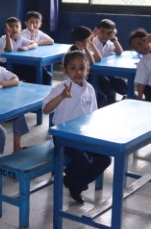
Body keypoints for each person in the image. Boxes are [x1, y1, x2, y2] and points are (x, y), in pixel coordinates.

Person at [43, 50, 111, 204]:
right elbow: (46, 109)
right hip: (63, 137)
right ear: (65, 70)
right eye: (73, 68)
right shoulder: (60, 88)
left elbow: (93, 114)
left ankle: (74, 182)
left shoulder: (90, 89)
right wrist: (61, 96)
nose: (78, 72)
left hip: (84, 135)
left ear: (88, 70)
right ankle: (74, 182)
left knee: (105, 159)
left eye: (82, 68)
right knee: (83, 161)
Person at [92, 19, 127, 105]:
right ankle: (110, 101)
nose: (105, 35)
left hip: (106, 72)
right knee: (105, 81)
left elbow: (120, 52)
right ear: (96, 30)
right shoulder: (91, 42)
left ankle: (130, 95)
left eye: (108, 33)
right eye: (102, 32)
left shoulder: (110, 44)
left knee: (117, 80)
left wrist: (113, 38)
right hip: (93, 72)